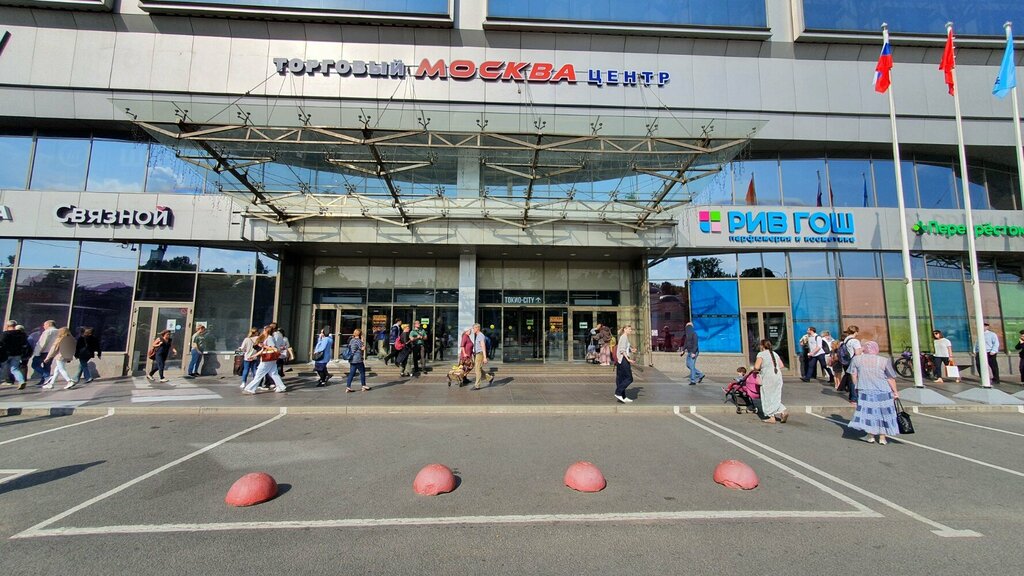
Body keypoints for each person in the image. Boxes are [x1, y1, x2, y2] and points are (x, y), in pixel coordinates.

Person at [847, 340, 900, 445]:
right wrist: (895, 391)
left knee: (868, 413)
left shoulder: (856, 359)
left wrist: (856, 386)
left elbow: (853, 374)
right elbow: (890, 378)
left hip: (865, 389)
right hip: (883, 390)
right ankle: (882, 438)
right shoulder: (884, 360)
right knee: (883, 413)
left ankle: (870, 435)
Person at [242, 326, 287, 394]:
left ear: (266, 331)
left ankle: (250, 388)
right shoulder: (268, 338)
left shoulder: (269, 338)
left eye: (264, 330)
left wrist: (263, 346)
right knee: (273, 373)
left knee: (259, 374)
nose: (263, 331)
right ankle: (281, 387)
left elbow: (273, 348)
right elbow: (263, 350)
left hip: (267, 359)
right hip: (270, 359)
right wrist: (254, 356)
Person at [753, 339, 788, 423]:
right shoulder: (774, 353)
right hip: (777, 376)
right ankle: (783, 410)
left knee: (767, 396)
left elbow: (756, 367)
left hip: (767, 376)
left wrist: (756, 370)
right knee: (775, 396)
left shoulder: (761, 354)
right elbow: (781, 365)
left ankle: (771, 417)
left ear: (762, 346)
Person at [0, 320, 28, 390]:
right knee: (15, 369)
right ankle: (21, 381)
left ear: (7, 326)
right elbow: (24, 344)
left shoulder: (5, 334)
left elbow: (1, 343)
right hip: (17, 354)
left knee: (1, 368)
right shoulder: (22, 334)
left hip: (6, 354)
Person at [838, 325, 862, 403]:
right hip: (854, 361)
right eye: (857, 332)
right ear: (855, 332)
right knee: (854, 379)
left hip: (846, 361)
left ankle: (851, 396)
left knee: (850, 378)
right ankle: (854, 398)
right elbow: (857, 353)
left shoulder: (846, 339)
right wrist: (862, 349)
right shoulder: (855, 341)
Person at [614, 325, 636, 403]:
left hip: (621, 359)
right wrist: (628, 359)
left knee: (621, 379)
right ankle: (618, 392)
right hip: (623, 359)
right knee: (629, 378)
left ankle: (623, 396)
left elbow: (625, 349)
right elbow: (622, 350)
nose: (631, 331)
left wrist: (631, 350)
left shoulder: (624, 337)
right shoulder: (624, 337)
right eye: (629, 329)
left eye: (631, 329)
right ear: (625, 329)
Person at [32, 320, 58, 386]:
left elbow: (42, 343)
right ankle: (45, 381)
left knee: (35, 365)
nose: (44, 326)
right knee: (47, 366)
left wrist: (37, 352)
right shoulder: (58, 331)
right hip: (52, 351)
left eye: (45, 325)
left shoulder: (47, 332)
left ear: (48, 325)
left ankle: (47, 376)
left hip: (43, 351)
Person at [345, 328, 370, 392]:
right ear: (360, 334)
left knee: (351, 373)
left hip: (352, 359)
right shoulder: (358, 341)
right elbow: (363, 348)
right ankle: (363, 386)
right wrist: (363, 341)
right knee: (362, 372)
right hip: (358, 359)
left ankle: (348, 387)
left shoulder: (351, 340)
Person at [470, 323, 494, 389]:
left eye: (473, 328)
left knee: (477, 369)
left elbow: (483, 346)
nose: (473, 329)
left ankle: (477, 385)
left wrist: (485, 357)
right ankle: (489, 378)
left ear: (477, 328)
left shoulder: (480, 335)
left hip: (480, 354)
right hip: (478, 354)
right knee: (479, 369)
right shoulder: (478, 335)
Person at [680, 321, 704, 385]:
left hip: (694, 352)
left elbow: (696, 344)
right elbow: (686, 343)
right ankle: (700, 374)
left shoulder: (694, 334)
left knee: (692, 366)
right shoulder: (687, 335)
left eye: (688, 326)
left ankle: (693, 380)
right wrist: (683, 350)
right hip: (689, 351)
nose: (687, 328)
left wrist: (693, 353)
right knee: (688, 365)